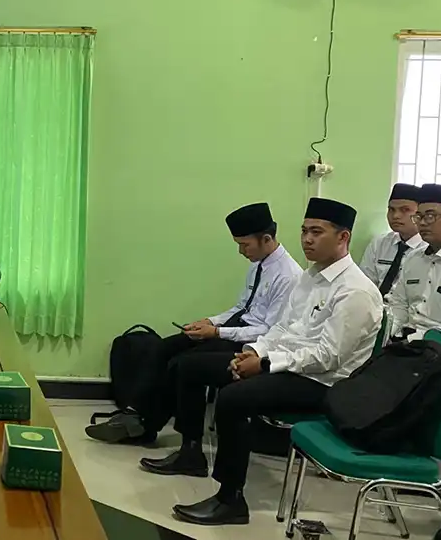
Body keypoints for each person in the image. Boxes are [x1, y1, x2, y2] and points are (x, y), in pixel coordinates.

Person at [141, 198, 381, 526]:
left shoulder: (356, 292)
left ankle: (230, 499)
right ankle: (191, 453)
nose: (307, 239)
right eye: (304, 231)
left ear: (343, 237)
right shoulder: (311, 278)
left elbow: (328, 356)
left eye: (317, 232)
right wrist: (256, 351)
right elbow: (283, 328)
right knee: (191, 367)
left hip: (324, 384)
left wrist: (266, 364)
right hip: (288, 365)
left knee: (234, 398)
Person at [85, 202, 302, 445]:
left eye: (244, 245)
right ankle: (134, 415)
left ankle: (154, 430)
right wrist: (208, 322)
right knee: (164, 347)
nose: (241, 252)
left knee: (183, 364)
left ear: (266, 239)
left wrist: (217, 332)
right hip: (234, 329)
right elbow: (242, 307)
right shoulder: (258, 265)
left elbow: (268, 331)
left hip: (251, 345)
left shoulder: (289, 276)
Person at [383, 184, 441, 540]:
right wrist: (398, 332)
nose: (422, 222)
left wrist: (420, 338)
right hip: (414, 349)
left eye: (430, 215)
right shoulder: (415, 258)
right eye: (420, 215)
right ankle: (407, 468)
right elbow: (397, 301)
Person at [360, 183, 424, 297]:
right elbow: (365, 284)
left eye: (405, 210)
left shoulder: (428, 249)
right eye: (391, 210)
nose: (395, 216)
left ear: (420, 214)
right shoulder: (379, 243)